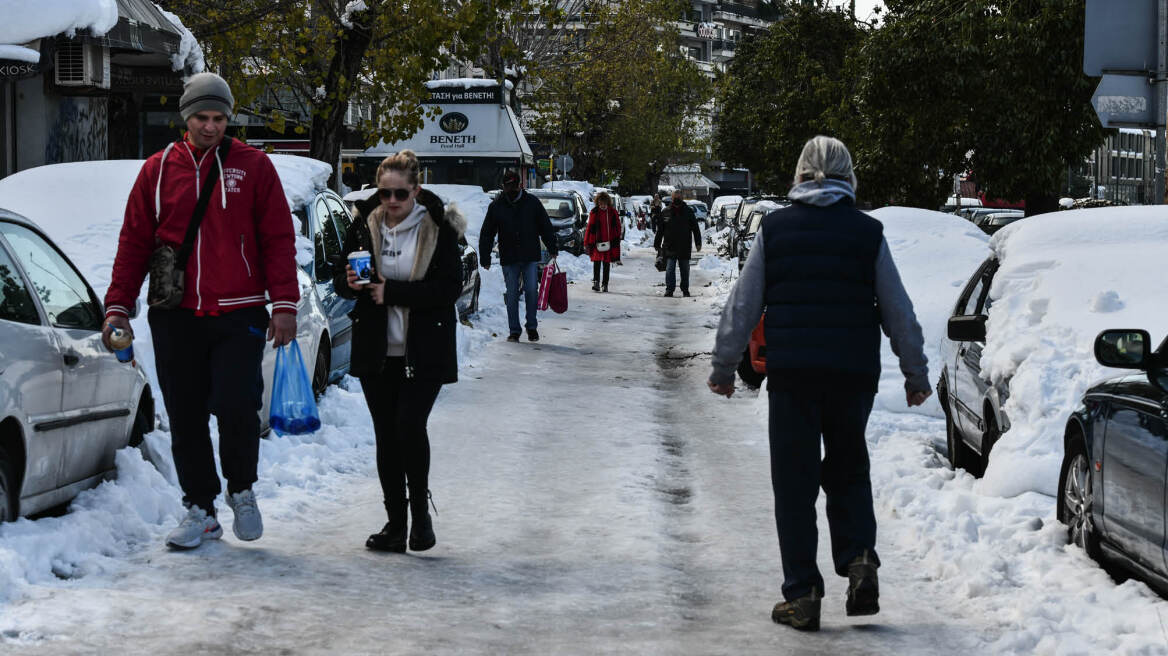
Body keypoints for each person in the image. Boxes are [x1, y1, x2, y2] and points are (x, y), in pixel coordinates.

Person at [707, 135, 932, 631]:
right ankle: (859, 559)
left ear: (800, 173)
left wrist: (724, 368)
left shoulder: (776, 228)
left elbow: (743, 305)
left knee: (794, 482)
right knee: (849, 468)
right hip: (853, 376)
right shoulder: (867, 233)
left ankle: (803, 594)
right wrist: (915, 373)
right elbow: (899, 310)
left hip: (793, 377)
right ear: (848, 176)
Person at [102, 72, 298, 550]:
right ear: (185, 117)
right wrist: (118, 306)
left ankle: (242, 489)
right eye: (201, 117)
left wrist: (285, 303)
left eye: (219, 118)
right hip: (176, 313)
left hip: (241, 311)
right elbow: (134, 242)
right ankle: (200, 508)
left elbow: (277, 238)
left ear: (229, 119)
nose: (210, 127)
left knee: (236, 405)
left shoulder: (254, 166)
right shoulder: (157, 169)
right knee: (186, 414)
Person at [335, 150, 463, 553]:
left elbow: (448, 289)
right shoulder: (364, 225)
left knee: (409, 426)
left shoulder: (437, 229)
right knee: (386, 437)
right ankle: (395, 524)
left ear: (416, 190)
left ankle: (421, 518)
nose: (391, 202)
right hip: (377, 348)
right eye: (385, 193)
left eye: (400, 195)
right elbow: (341, 278)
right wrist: (350, 284)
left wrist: (393, 293)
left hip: (423, 347)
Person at [479, 170, 558, 342]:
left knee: (531, 290)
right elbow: (487, 233)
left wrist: (552, 247)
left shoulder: (532, 203)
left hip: (529, 255)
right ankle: (514, 330)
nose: (511, 190)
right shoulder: (497, 206)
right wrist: (485, 257)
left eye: (514, 186)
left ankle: (531, 327)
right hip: (509, 255)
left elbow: (545, 226)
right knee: (512, 293)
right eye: (508, 187)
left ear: (520, 185)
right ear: (503, 186)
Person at [653, 190, 702, 297]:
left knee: (685, 270)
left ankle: (685, 290)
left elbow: (696, 228)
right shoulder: (665, 212)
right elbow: (660, 230)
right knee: (670, 269)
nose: (677, 199)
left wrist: (698, 243)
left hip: (684, 246)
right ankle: (669, 290)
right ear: (672, 198)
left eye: (679, 197)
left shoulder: (688, 212)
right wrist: (657, 243)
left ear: (682, 198)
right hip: (669, 246)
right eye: (675, 197)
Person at [584, 191, 621, 292]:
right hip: (596, 242)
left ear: (607, 203)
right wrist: (586, 242)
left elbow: (618, 227)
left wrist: (615, 238)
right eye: (601, 204)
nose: (603, 206)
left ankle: (605, 284)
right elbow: (589, 227)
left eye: (604, 204)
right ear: (598, 203)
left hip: (609, 243)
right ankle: (596, 282)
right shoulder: (594, 212)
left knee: (606, 264)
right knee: (596, 262)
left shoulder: (613, 212)